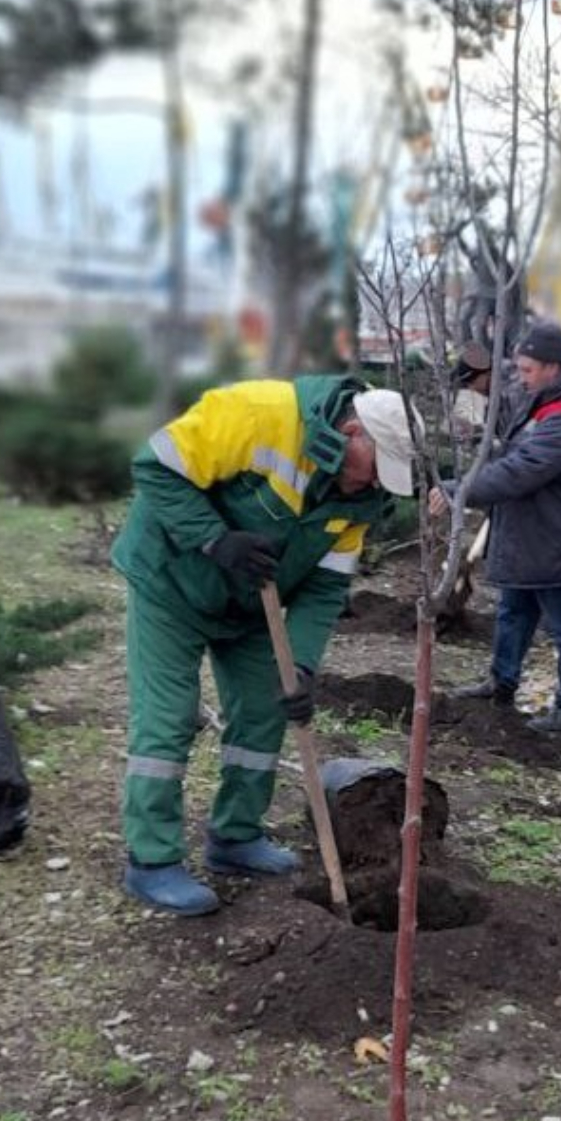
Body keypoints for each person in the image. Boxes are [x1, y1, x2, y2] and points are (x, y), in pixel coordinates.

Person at [111, 376, 418, 915]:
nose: (375, 487)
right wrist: (214, 536)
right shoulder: (260, 412)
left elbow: (325, 587)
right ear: (351, 433)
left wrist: (299, 665)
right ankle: (152, 861)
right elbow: (154, 467)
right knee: (169, 717)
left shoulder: (362, 500)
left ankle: (235, 837)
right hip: (171, 582)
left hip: (256, 603)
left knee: (266, 709)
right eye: (375, 469)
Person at [432, 320, 561, 736]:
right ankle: (501, 683)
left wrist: (457, 491)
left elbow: (521, 471)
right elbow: (508, 452)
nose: (520, 376)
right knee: (513, 611)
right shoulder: (546, 396)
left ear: (553, 367)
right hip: (539, 533)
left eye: (528, 369)